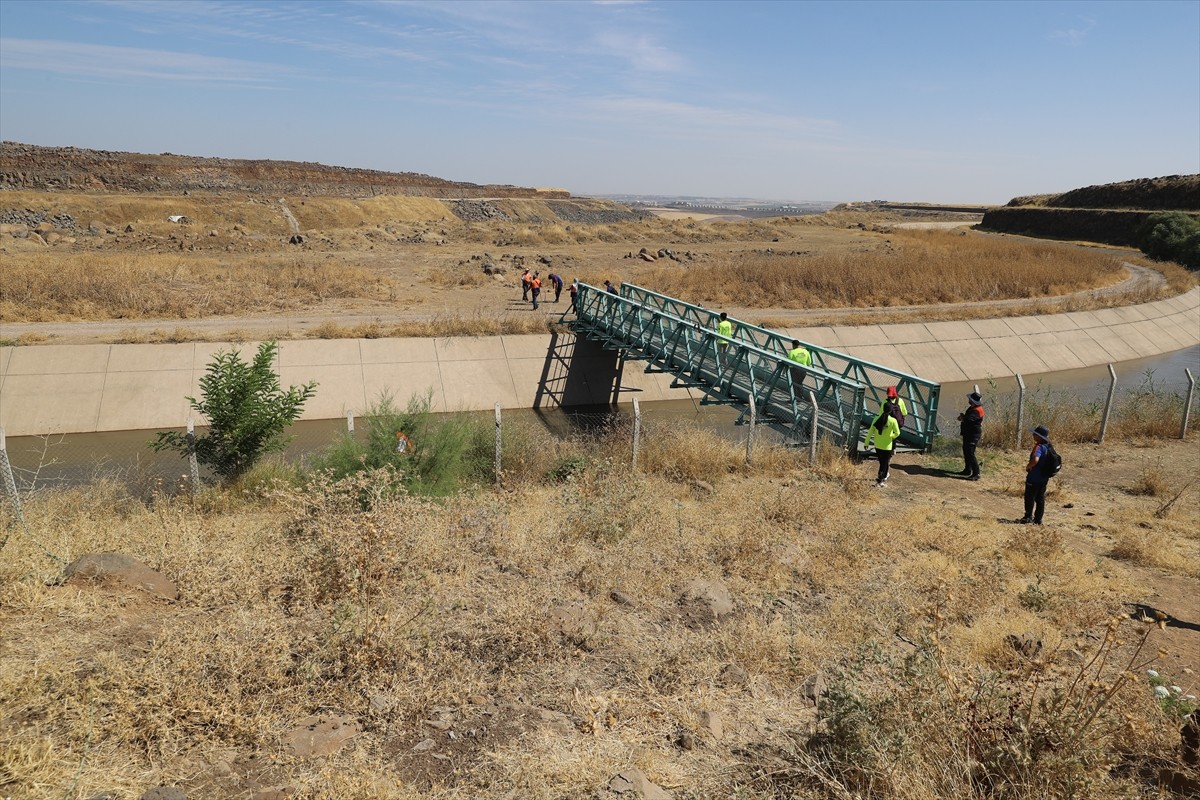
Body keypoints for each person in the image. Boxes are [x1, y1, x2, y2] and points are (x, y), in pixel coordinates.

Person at [1020, 425, 1055, 524]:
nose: (1033, 435)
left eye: (1035, 434)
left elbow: (1035, 459)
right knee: (1040, 498)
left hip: (1034, 477)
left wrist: (1028, 466)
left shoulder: (1038, 447)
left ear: (1040, 436)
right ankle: (1038, 519)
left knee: (1029, 497)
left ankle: (1028, 517)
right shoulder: (1048, 446)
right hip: (1044, 478)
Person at [865, 403, 901, 487]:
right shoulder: (893, 421)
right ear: (891, 410)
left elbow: (870, 431)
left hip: (877, 445)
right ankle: (880, 481)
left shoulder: (877, 418)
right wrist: (891, 436)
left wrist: (866, 442)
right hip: (887, 446)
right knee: (884, 463)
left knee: (882, 462)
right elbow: (897, 433)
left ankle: (883, 478)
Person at [957, 391, 985, 480]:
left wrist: (962, 418)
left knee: (970, 453)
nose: (968, 400)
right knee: (966, 451)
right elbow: (968, 419)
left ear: (972, 400)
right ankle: (967, 470)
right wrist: (963, 417)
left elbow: (970, 421)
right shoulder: (972, 408)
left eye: (970, 399)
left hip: (973, 434)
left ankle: (976, 473)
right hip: (968, 433)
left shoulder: (977, 410)